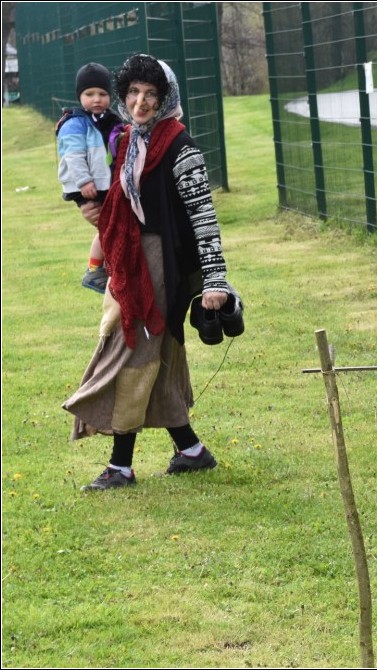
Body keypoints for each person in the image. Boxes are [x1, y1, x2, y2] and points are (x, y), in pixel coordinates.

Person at [64, 54, 234, 491]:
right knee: (148, 356)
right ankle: (191, 450)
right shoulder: (128, 141)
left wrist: (215, 281)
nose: (140, 102)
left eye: (151, 94)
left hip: (162, 267)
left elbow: (203, 217)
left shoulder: (180, 146)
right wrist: (97, 216)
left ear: (166, 98)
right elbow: (120, 204)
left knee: (131, 353)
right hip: (130, 263)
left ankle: (120, 466)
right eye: (134, 93)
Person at [56, 62, 123, 293]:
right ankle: (94, 271)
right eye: (89, 94)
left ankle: (105, 267)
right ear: (79, 96)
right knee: (107, 227)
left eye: (102, 94)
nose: (96, 99)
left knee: (109, 226)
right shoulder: (75, 123)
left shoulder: (110, 120)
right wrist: (84, 181)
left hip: (102, 184)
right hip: (85, 186)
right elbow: (73, 155)